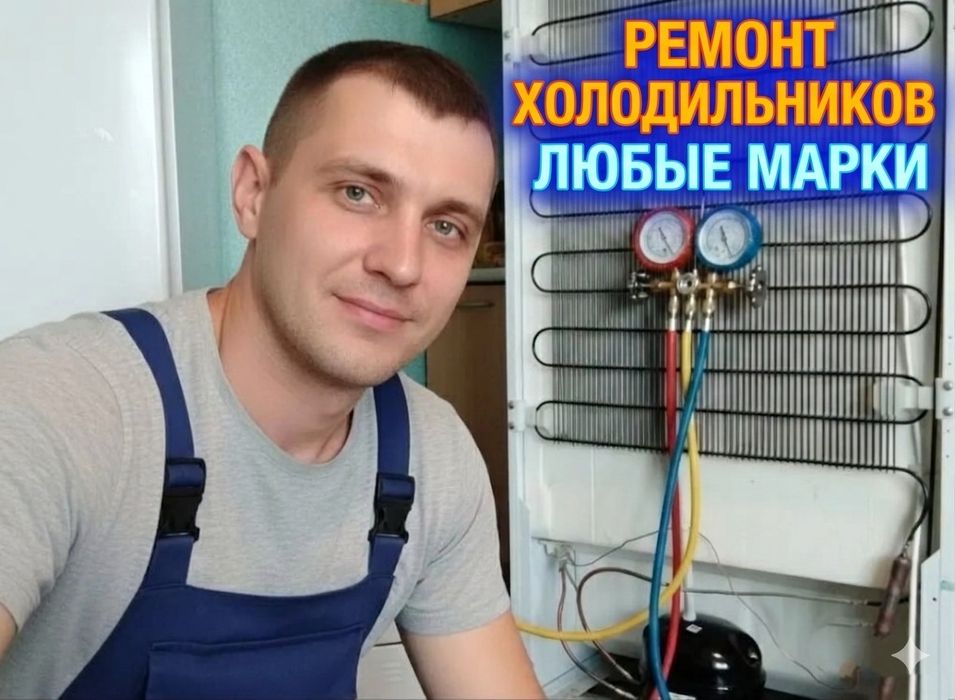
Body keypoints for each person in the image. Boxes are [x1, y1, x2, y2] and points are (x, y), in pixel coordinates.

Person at [0, 40, 543, 699]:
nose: (402, 264)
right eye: (358, 193)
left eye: (446, 227)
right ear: (253, 193)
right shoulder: (63, 403)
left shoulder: (432, 455)